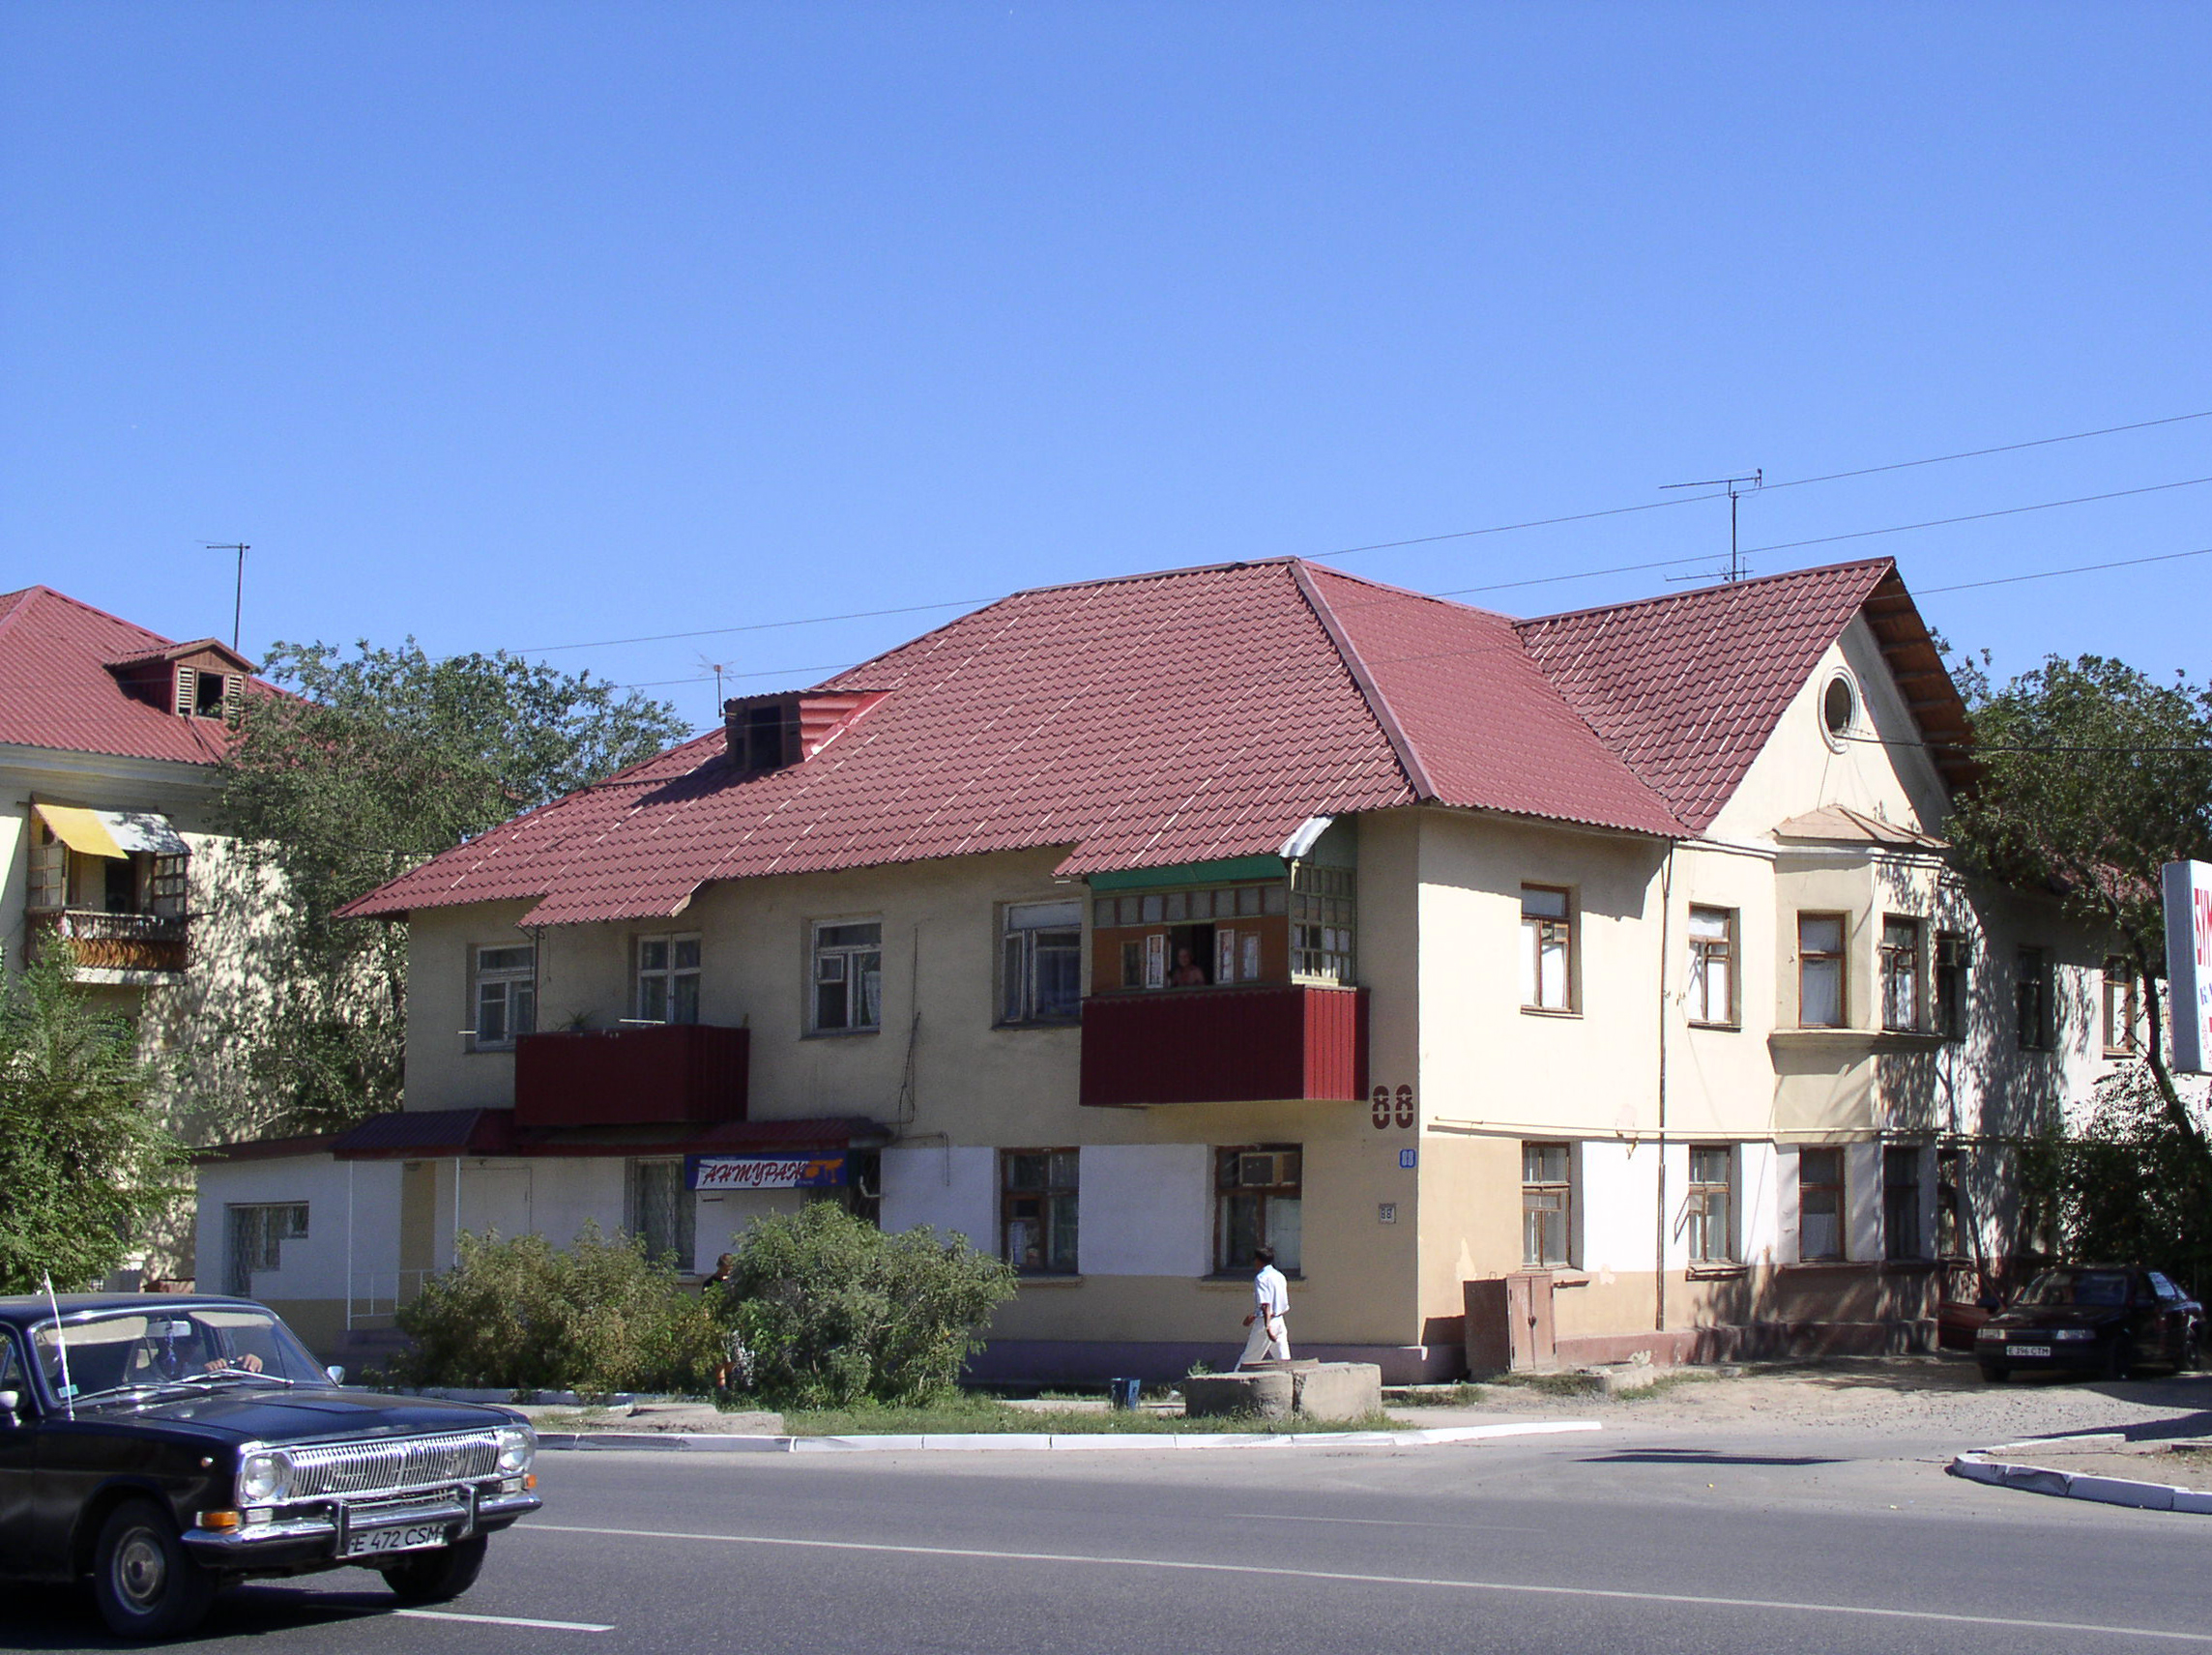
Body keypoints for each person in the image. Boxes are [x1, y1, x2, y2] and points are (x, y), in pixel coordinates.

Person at [1236, 1245, 1290, 1367]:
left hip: (1266, 1322)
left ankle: (1235, 1377)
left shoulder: (1261, 1278)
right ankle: (1289, 1377)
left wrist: (1267, 1327)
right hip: (1279, 1320)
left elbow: (1266, 1304)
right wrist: (1255, 1314)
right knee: (1283, 1359)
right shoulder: (1279, 1276)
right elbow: (1278, 1302)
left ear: (1259, 1260)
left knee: (1249, 1358)